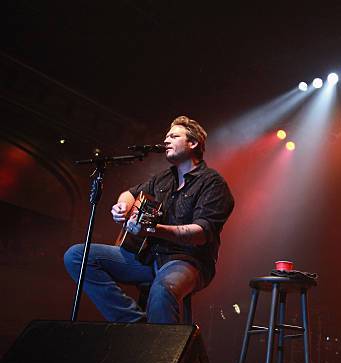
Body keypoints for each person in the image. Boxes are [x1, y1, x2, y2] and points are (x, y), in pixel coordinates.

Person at [64, 115, 234, 323]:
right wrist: (123, 207)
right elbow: (130, 193)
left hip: (187, 260)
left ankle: (160, 349)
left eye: (173, 136)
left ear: (193, 143)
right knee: (77, 256)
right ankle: (135, 324)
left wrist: (153, 230)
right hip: (147, 258)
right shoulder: (163, 178)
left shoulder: (213, 183)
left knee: (162, 291)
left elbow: (200, 234)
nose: (166, 141)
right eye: (166, 136)